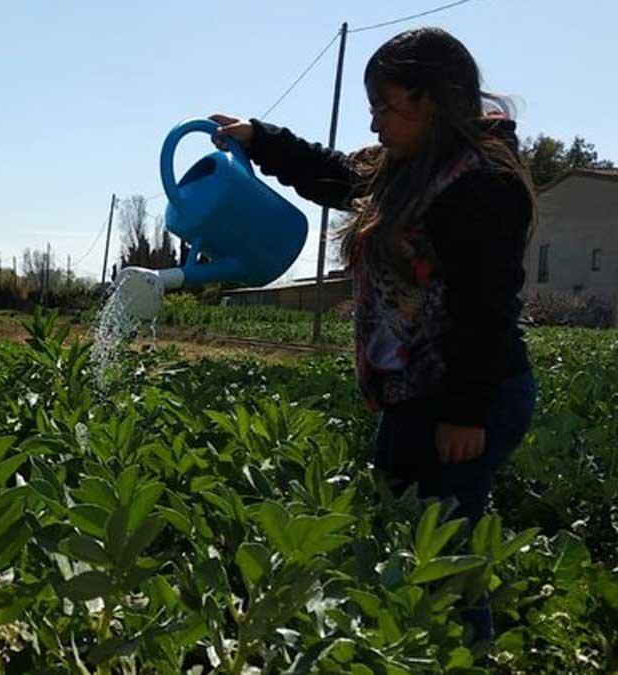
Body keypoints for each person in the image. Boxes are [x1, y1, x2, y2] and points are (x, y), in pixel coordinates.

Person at [208, 27, 536, 647]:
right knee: (403, 534)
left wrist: (466, 413)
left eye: (388, 105)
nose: (376, 120)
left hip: (469, 400)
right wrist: (262, 139)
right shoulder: (405, 169)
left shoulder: (479, 183)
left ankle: (467, 657)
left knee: (444, 553)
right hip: (414, 394)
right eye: (373, 106)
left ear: (434, 101)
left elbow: (486, 307)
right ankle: (414, 651)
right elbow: (334, 174)